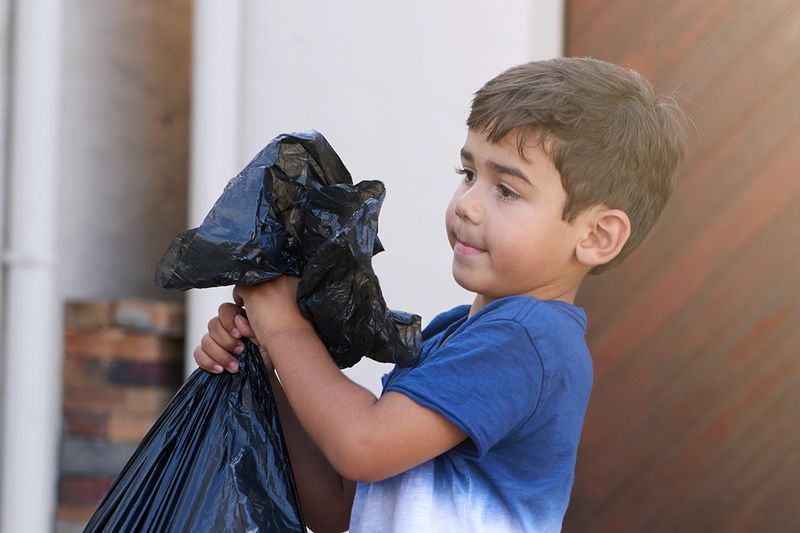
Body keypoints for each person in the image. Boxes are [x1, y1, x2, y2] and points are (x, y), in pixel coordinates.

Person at [193, 57, 689, 532]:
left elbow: (363, 445)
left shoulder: (527, 341)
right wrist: (265, 358)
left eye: (508, 191)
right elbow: (342, 512)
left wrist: (284, 327)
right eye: (469, 174)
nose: (468, 205)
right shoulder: (456, 334)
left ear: (597, 236)